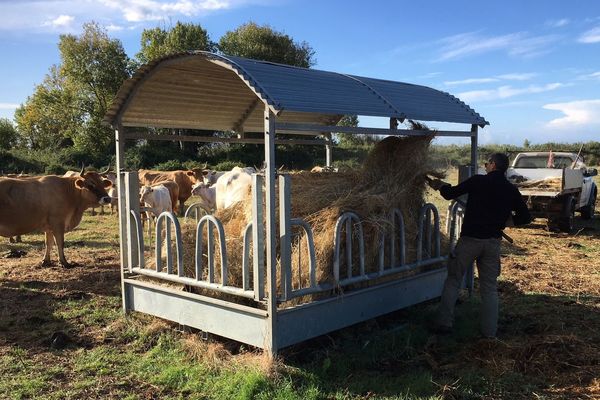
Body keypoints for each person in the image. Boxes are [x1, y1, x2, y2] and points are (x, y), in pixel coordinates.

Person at [427, 153, 531, 338]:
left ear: (492, 165)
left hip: (470, 241)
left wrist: (440, 185)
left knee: (453, 279)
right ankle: (489, 333)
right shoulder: (510, 189)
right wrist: (506, 222)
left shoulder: (477, 181)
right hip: (492, 243)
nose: (485, 166)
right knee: (489, 288)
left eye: (487, 163)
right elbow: (525, 217)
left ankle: (444, 323)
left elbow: (450, 194)